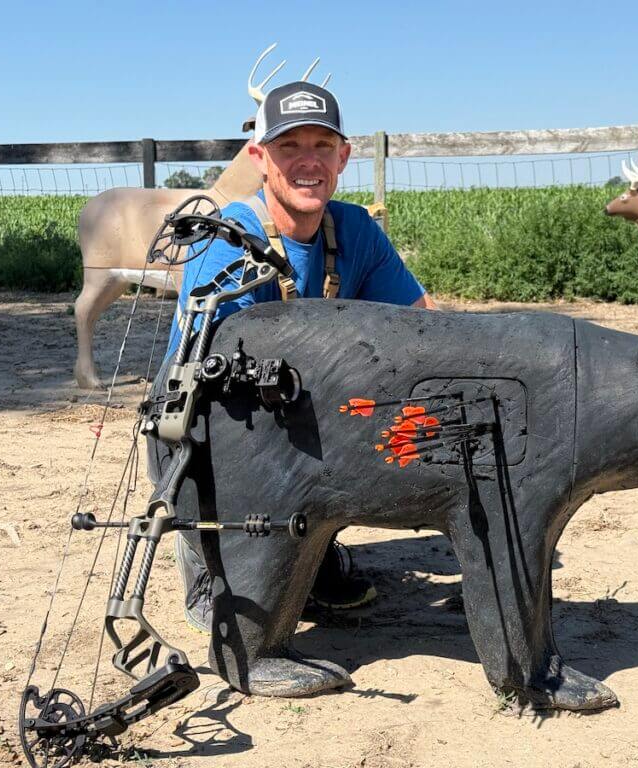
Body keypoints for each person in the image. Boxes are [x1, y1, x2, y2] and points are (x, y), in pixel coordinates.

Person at [159, 79, 436, 633]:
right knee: (249, 595)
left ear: (343, 157)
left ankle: (311, 547)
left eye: (321, 146)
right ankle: (212, 554)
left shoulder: (355, 229)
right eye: (289, 147)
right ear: (259, 159)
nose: (307, 162)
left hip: (305, 411)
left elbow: (424, 326)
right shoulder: (228, 236)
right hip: (214, 427)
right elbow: (205, 377)